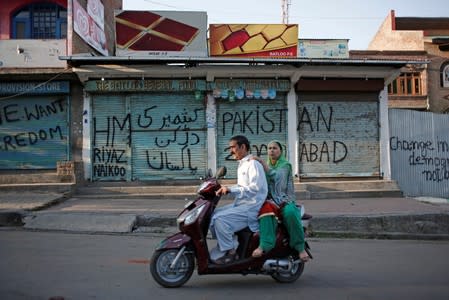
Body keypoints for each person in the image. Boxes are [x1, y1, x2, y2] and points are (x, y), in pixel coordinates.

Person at [210, 135, 268, 264]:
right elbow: (243, 186)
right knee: (212, 215)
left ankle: (231, 252)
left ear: (243, 147)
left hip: (251, 207)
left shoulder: (253, 164)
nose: (231, 151)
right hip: (242, 204)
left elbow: (254, 188)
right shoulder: (242, 164)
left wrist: (232, 190)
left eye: (233, 147)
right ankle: (230, 242)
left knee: (220, 220)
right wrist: (227, 188)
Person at [252, 140, 310, 262]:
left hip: (285, 200)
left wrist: (262, 163)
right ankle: (264, 245)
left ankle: (300, 248)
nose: (271, 150)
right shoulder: (265, 166)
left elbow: (279, 179)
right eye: (269, 148)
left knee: (290, 213)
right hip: (270, 201)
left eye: (274, 148)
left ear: (280, 151)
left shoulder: (285, 165)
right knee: (265, 211)